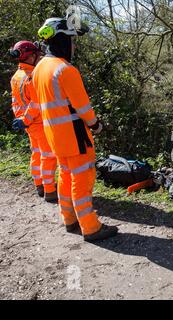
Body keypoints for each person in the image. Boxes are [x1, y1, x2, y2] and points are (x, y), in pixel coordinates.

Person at [29, 17, 118, 241]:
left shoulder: (39, 68)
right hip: (74, 135)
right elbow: (83, 108)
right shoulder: (65, 69)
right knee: (82, 178)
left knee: (66, 175)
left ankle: (69, 219)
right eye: (71, 40)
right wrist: (96, 125)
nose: (73, 45)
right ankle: (91, 227)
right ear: (61, 40)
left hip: (54, 136)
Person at [9, 41, 58, 201]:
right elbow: (36, 103)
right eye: (37, 55)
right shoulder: (33, 76)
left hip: (28, 124)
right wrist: (27, 119)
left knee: (36, 154)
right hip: (38, 122)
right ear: (30, 57)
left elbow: (16, 102)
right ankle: (50, 190)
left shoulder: (16, 76)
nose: (39, 57)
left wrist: (22, 120)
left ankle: (39, 185)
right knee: (48, 156)